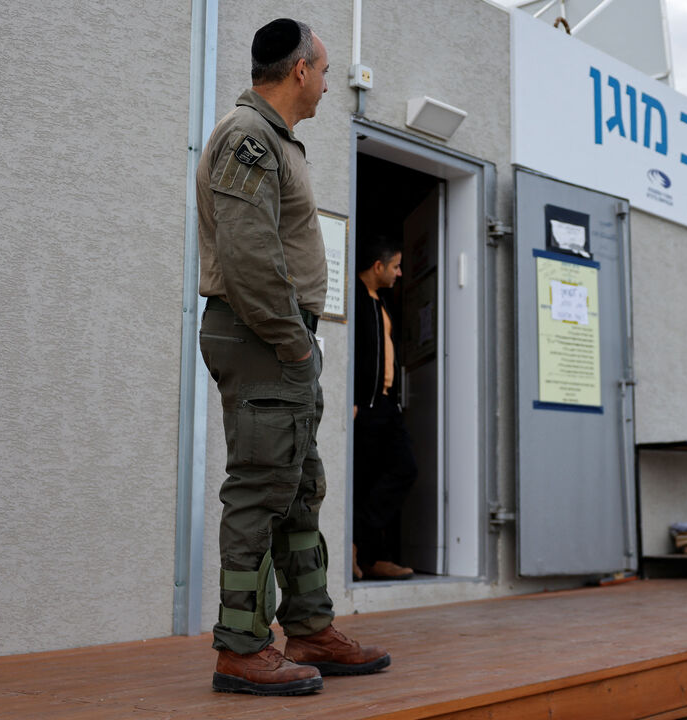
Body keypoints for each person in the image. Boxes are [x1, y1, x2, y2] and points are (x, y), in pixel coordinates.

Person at [197, 18, 389, 695]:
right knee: (260, 489)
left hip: (278, 338)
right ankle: (240, 648)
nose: (330, 85)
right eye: (326, 71)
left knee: (299, 488)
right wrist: (295, 345)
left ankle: (309, 628)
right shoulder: (247, 138)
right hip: (263, 337)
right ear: (300, 70)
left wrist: (299, 344)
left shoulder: (275, 141)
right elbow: (250, 261)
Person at [352, 235, 419, 581]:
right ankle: (368, 556)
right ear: (378, 266)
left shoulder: (381, 302)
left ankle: (361, 546)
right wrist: (352, 399)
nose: (400, 273)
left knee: (403, 469)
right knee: (365, 479)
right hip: (365, 406)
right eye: (396, 266)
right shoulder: (356, 300)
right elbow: (350, 353)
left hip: (387, 405)